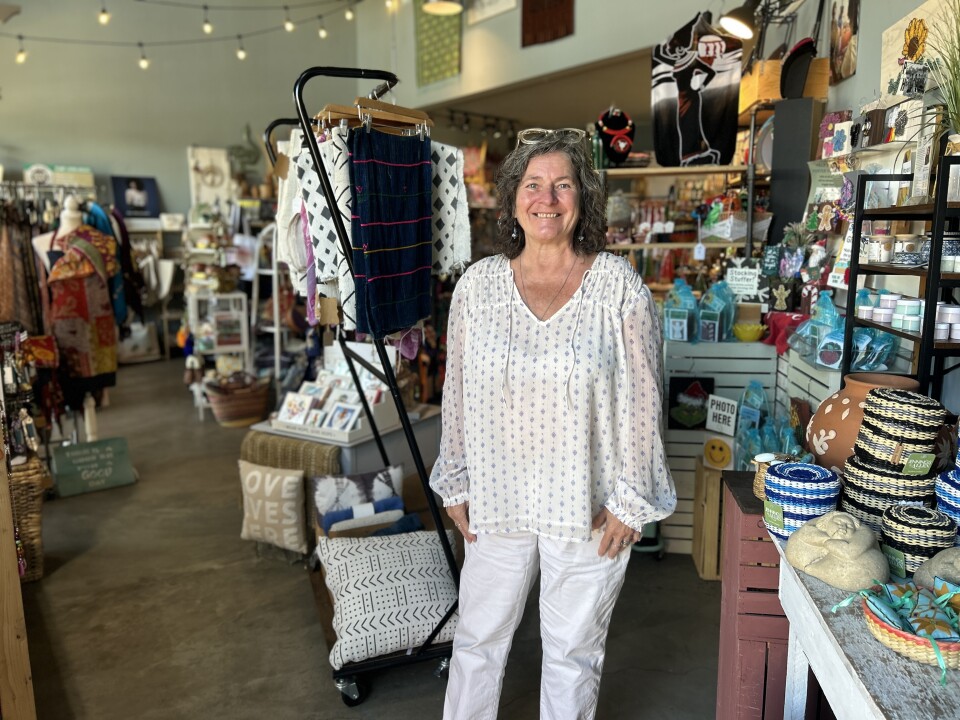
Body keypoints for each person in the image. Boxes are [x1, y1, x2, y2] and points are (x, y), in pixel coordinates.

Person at [430, 128, 676, 720]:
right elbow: (456, 391)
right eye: (534, 185)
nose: (548, 198)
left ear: (582, 198)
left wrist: (630, 499)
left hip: (587, 506)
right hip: (496, 499)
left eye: (563, 185)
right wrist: (456, 479)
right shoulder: (478, 287)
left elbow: (646, 399)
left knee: (572, 652)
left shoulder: (617, 286)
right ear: (513, 197)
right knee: (477, 643)